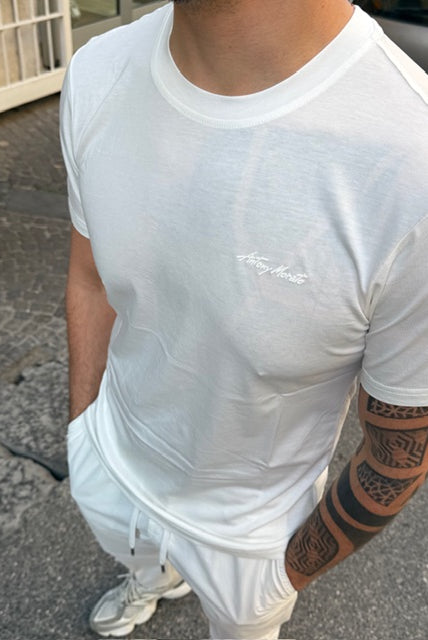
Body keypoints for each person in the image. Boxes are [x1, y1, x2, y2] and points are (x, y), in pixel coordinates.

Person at [60, 0, 428, 638]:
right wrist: (83, 432)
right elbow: (91, 279)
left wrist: (283, 576)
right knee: (137, 554)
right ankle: (149, 580)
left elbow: (397, 452)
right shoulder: (97, 71)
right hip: (112, 459)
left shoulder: (411, 160)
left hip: (249, 541)